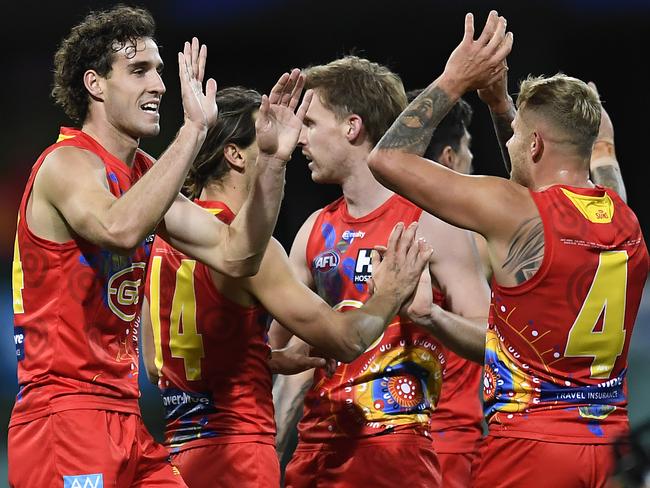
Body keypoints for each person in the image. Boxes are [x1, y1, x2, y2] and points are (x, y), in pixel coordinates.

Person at [8, 5, 308, 487]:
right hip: (62, 413)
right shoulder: (66, 163)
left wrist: (273, 162)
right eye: (139, 71)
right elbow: (119, 229)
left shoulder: (145, 175)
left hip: (126, 415)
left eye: (160, 71)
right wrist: (194, 131)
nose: (160, 86)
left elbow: (238, 254)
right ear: (95, 84)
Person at [368, 10, 649, 487]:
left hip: (529, 450)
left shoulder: (512, 208)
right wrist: (501, 108)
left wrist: (456, 78)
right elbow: (584, 164)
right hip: (611, 450)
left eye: (519, 134)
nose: (512, 138)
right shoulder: (624, 215)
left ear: (535, 144)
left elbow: (386, 159)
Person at [140, 86, 433, 488]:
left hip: (177, 457)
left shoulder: (162, 241)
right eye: (268, 133)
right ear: (236, 153)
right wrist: (390, 291)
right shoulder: (254, 253)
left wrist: (265, 356)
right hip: (238, 456)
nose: (290, 143)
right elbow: (347, 340)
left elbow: (158, 362)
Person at [271, 55, 491, 487]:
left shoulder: (429, 223)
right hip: (316, 452)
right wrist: (273, 454)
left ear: (352, 126)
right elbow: (283, 352)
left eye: (311, 124)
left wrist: (431, 317)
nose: (301, 139)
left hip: (397, 452)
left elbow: (495, 340)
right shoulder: (314, 231)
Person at [405, 90, 485, 487]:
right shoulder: (476, 235)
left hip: (381, 438)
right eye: (469, 150)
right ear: (449, 160)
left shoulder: (356, 232)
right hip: (449, 443)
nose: (474, 162)